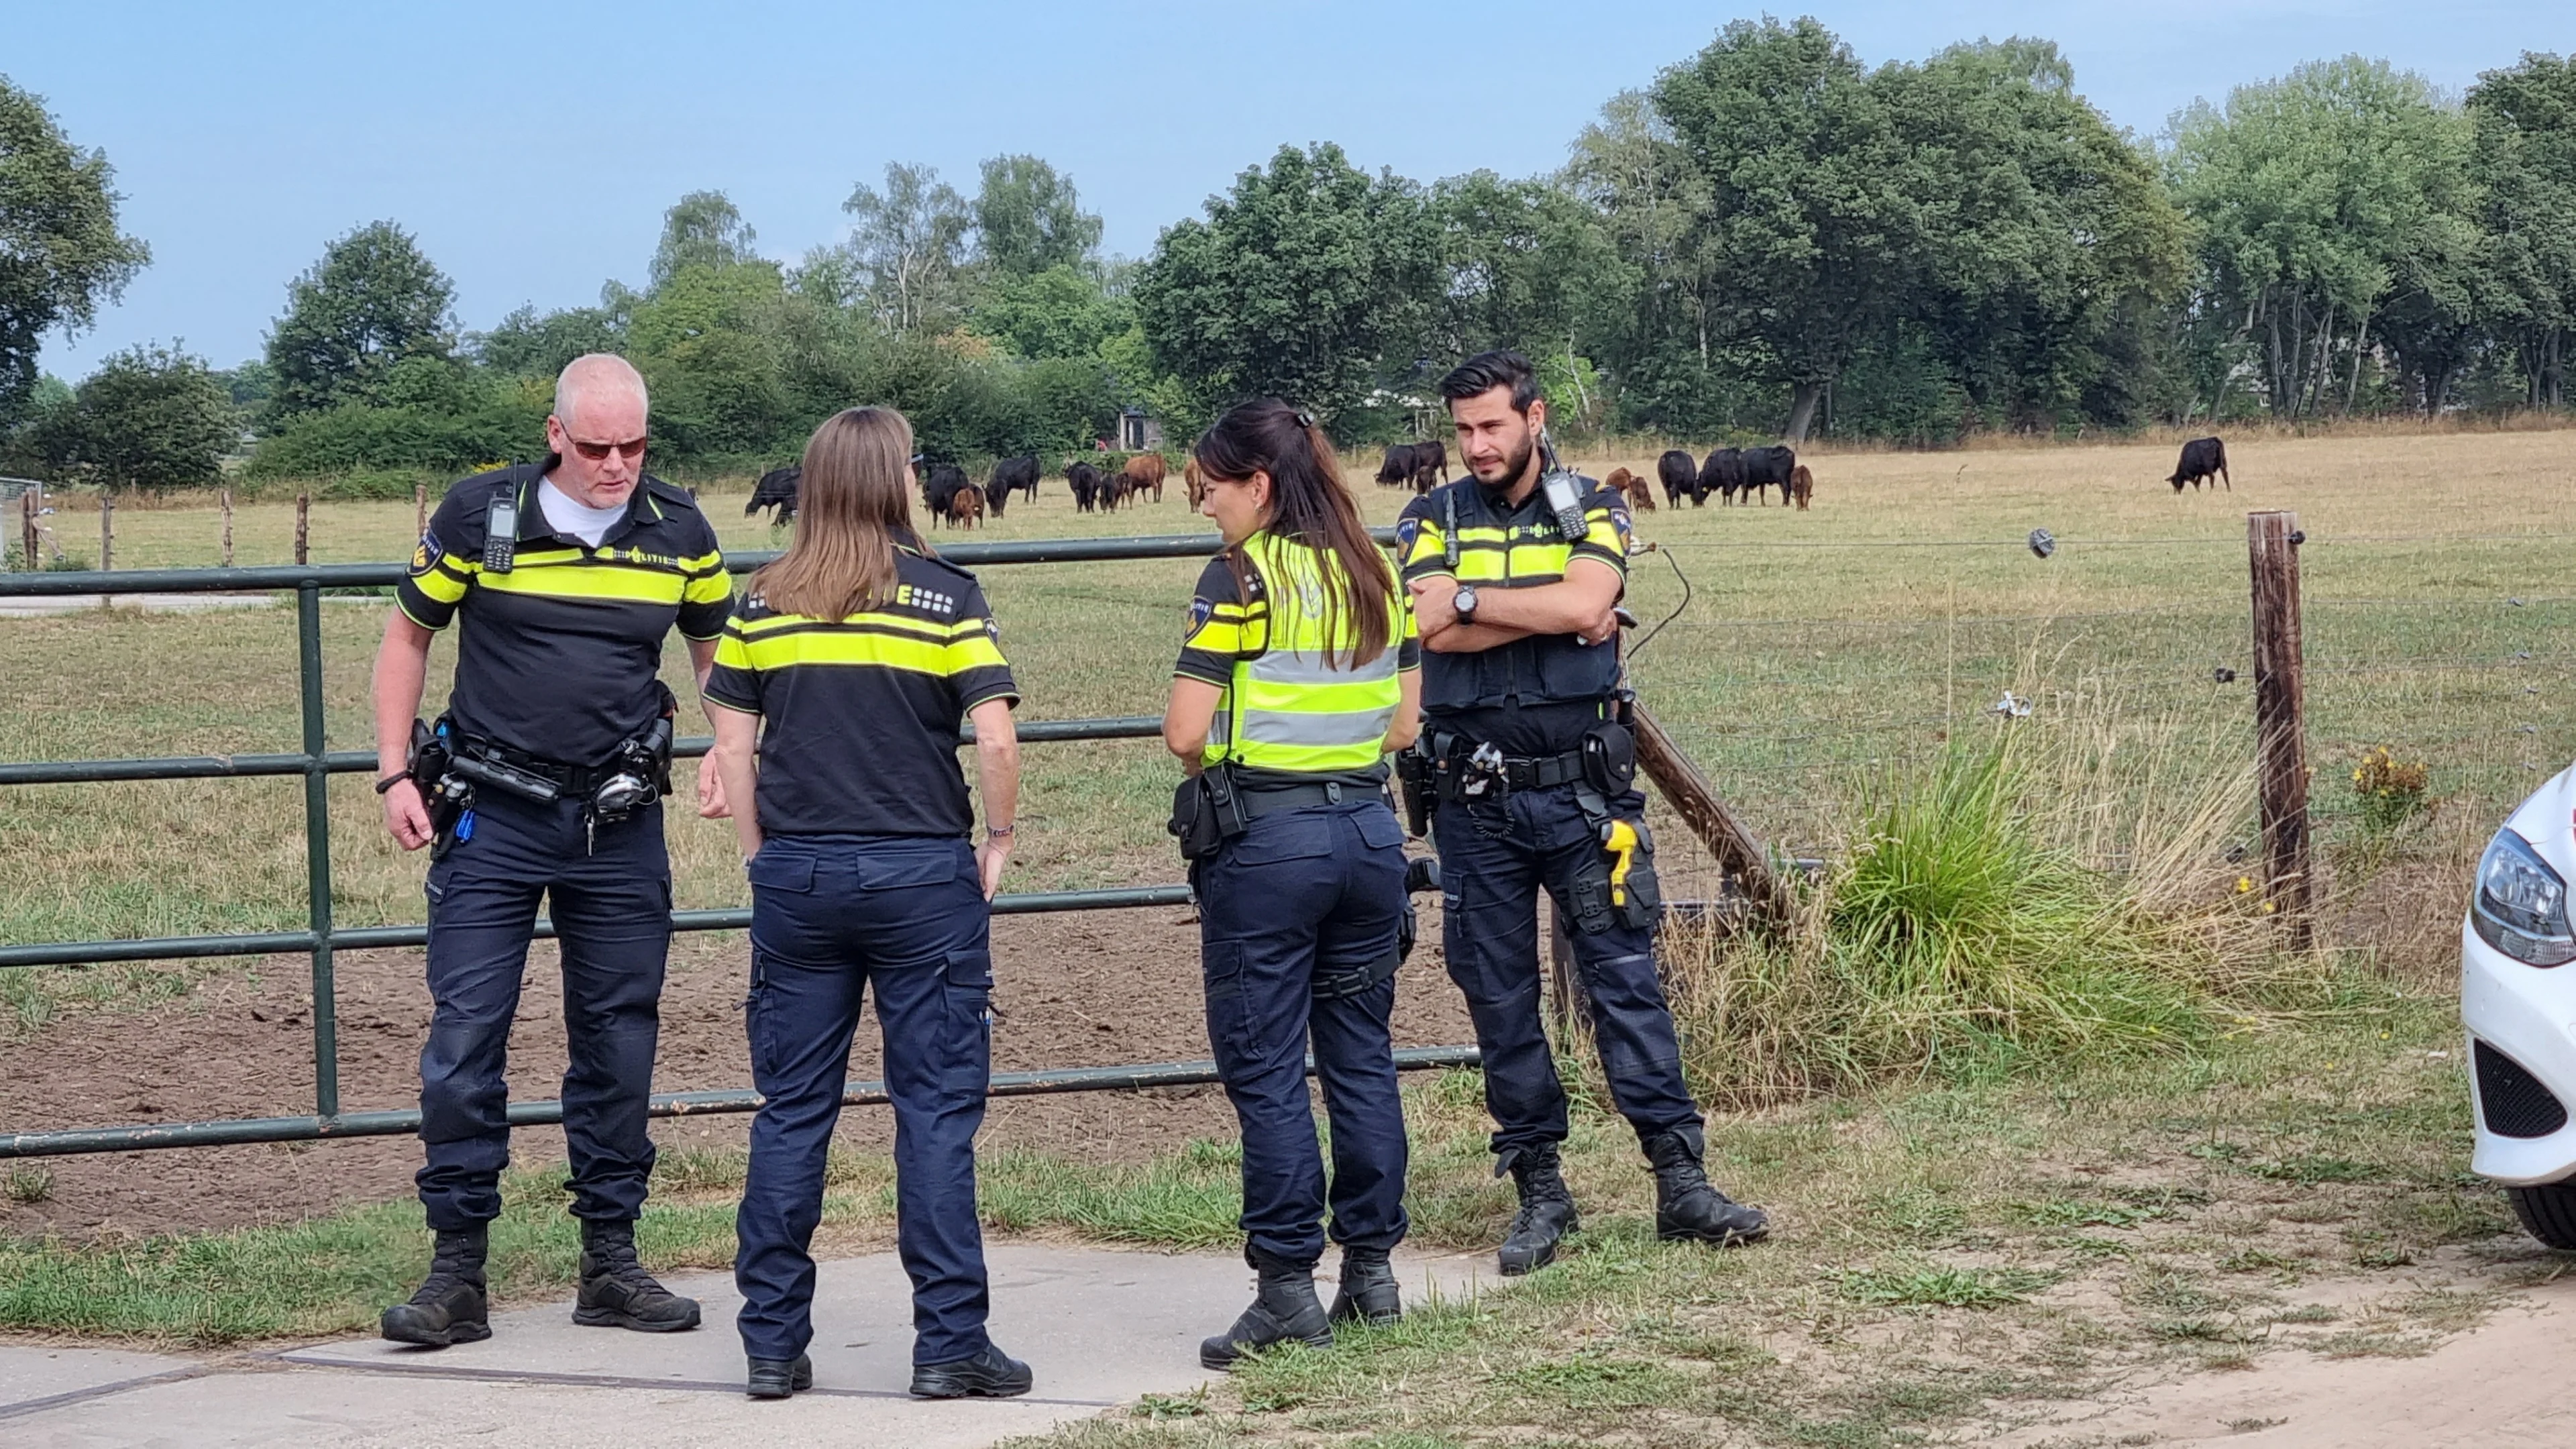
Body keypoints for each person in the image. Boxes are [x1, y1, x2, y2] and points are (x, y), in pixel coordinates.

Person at [373, 354, 731, 1346]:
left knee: (619, 1040)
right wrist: (396, 773)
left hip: (618, 823)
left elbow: (717, 655)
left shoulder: (681, 530)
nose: (617, 465)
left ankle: (611, 1264)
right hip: (491, 816)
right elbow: (407, 639)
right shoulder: (477, 515)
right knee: (465, 1039)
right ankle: (456, 1275)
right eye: (597, 447)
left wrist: (727, 748)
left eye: (635, 446)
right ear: (556, 434)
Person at [1397, 350, 1768, 1276]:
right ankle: (1540, 1193)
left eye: (1493, 425)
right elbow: (1429, 625)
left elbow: (1589, 598)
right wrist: (1552, 611)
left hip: (1585, 798)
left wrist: (1474, 600)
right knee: (1500, 998)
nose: (1477, 446)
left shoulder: (1599, 504)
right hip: (1474, 803)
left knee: (1626, 983)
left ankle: (1681, 1182)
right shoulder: (1430, 515)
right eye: (1464, 430)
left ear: (1535, 417)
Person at [703, 407, 1032, 1402]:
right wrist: (998, 836)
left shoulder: (762, 601)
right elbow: (996, 736)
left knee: (791, 1112)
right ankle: (949, 1344)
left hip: (799, 880)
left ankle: (770, 1344)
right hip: (921, 879)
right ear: (896, 482)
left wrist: (760, 852)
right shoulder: (946, 597)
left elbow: (731, 746)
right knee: (934, 1113)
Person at [1163, 400, 1421, 1368]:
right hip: (1367, 833)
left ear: (1259, 486)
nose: (1206, 506)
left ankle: (1284, 1290)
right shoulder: (1377, 570)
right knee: (1361, 1058)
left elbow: (1185, 734)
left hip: (1268, 844)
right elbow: (1404, 727)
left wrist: (1241, 753)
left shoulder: (1239, 577)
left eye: (1212, 488)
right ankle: (1373, 1276)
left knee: (1267, 1067)